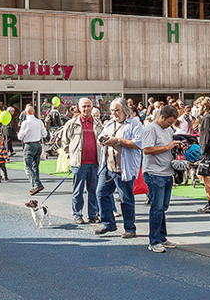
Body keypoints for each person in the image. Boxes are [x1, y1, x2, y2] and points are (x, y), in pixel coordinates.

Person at [95, 97, 144, 238]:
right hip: (108, 167)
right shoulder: (110, 123)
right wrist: (101, 140)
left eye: (117, 110)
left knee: (126, 199)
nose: (114, 113)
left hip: (124, 168)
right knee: (101, 193)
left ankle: (130, 228)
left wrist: (118, 141)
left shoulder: (134, 124)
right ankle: (108, 224)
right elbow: (102, 135)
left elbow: (138, 144)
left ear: (125, 110)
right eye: (112, 111)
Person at [141, 104, 182, 252]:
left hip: (166, 172)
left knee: (162, 207)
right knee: (157, 208)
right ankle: (154, 241)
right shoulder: (150, 129)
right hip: (154, 173)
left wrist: (177, 146)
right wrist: (167, 147)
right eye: (169, 122)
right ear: (162, 117)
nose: (170, 125)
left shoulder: (168, 129)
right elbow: (146, 150)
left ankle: (161, 238)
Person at [60, 98, 103, 224]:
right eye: (84, 106)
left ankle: (93, 215)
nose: (86, 109)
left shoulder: (98, 123)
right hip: (79, 164)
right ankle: (77, 214)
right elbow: (65, 142)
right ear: (79, 108)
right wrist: (71, 156)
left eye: (89, 106)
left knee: (93, 191)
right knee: (78, 190)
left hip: (95, 163)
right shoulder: (72, 123)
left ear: (92, 107)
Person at [17, 105, 47, 195]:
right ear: (33, 112)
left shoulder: (25, 123)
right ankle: (36, 185)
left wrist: (20, 135)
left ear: (25, 113)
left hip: (29, 144)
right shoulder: (39, 121)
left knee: (27, 166)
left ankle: (36, 184)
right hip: (38, 144)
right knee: (35, 166)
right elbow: (45, 134)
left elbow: (20, 136)